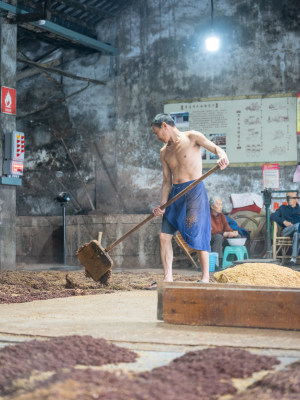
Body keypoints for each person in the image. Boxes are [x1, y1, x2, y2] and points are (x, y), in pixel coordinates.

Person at [148, 113, 229, 289]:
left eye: (156, 133)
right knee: (164, 236)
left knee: (199, 234)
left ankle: (205, 278)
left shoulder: (192, 137)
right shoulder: (164, 152)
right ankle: (168, 278)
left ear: (164, 126)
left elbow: (216, 149)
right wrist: (162, 205)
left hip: (194, 192)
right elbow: (166, 181)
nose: (157, 137)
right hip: (174, 196)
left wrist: (222, 156)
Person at [270, 191, 300, 267]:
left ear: (296, 199)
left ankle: (293, 259)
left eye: (291, 198)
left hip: (296, 233)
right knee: (298, 226)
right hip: (286, 231)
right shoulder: (283, 208)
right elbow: (272, 216)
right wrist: (283, 221)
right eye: (288, 198)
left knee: (297, 234)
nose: (289, 199)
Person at [210, 196, 239, 268]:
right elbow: (212, 231)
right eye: (218, 204)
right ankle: (217, 263)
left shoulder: (222, 216)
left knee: (237, 237)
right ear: (212, 206)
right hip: (210, 238)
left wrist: (233, 233)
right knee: (218, 237)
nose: (221, 207)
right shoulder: (207, 215)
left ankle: (233, 261)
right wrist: (224, 234)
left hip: (221, 236)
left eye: (221, 204)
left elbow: (227, 228)